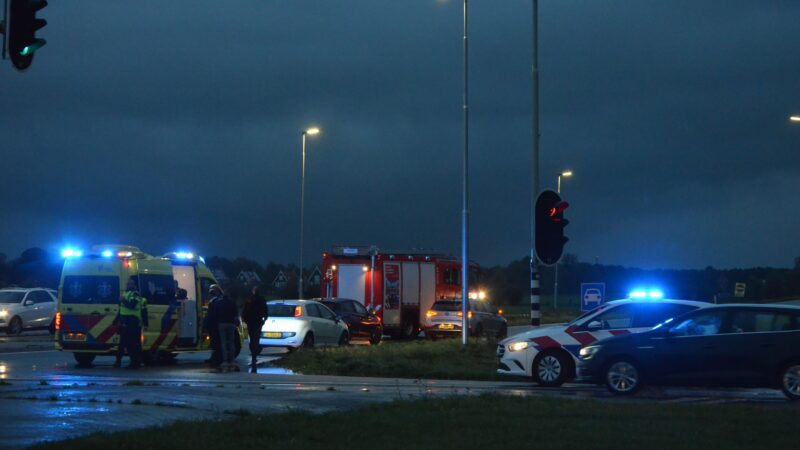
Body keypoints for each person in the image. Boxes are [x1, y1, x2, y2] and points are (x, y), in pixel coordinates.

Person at [115, 277, 149, 369]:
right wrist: (116, 321)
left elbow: (132, 306)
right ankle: (121, 362)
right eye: (127, 284)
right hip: (125, 322)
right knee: (124, 343)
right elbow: (121, 309)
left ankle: (135, 363)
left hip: (133, 322)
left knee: (132, 344)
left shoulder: (135, 294)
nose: (127, 285)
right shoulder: (125, 294)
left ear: (134, 285)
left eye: (129, 284)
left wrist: (123, 300)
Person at [208, 285, 240, 372]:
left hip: (221, 324)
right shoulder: (232, 302)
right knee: (231, 342)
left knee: (223, 343)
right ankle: (232, 361)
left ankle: (225, 361)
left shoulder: (218, 303)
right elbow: (236, 314)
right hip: (231, 324)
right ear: (228, 295)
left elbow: (215, 314)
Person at [241, 285, 268, 369]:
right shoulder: (261, 299)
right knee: (256, 339)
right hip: (258, 322)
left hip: (250, 322)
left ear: (253, 291)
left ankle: (253, 355)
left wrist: (245, 320)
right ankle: (254, 357)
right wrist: (264, 320)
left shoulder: (249, 300)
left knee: (252, 339)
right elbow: (265, 310)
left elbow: (244, 311)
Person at [203, 285, 223, 368]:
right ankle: (214, 358)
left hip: (214, 325)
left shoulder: (216, 301)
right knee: (214, 342)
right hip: (213, 324)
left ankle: (216, 359)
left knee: (215, 342)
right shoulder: (214, 300)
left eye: (212, 291)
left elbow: (213, 314)